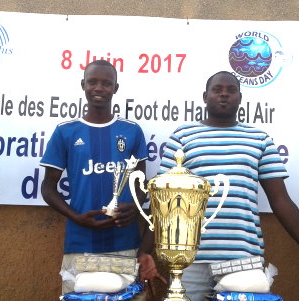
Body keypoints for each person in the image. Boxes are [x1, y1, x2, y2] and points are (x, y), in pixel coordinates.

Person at [158, 71, 299, 301]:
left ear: (240, 98)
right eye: (217, 89)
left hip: (243, 256)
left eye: (231, 90)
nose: (224, 94)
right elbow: (163, 201)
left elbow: (280, 200)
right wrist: (145, 250)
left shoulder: (259, 139)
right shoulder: (183, 137)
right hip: (191, 256)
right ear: (205, 96)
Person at [40, 59, 163, 300]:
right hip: (80, 243)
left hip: (125, 242)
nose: (99, 88)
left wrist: (134, 210)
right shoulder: (66, 131)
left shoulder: (132, 131)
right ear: (83, 85)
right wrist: (75, 217)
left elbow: (141, 184)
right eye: (93, 82)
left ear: (116, 88)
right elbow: (48, 187)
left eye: (107, 83)